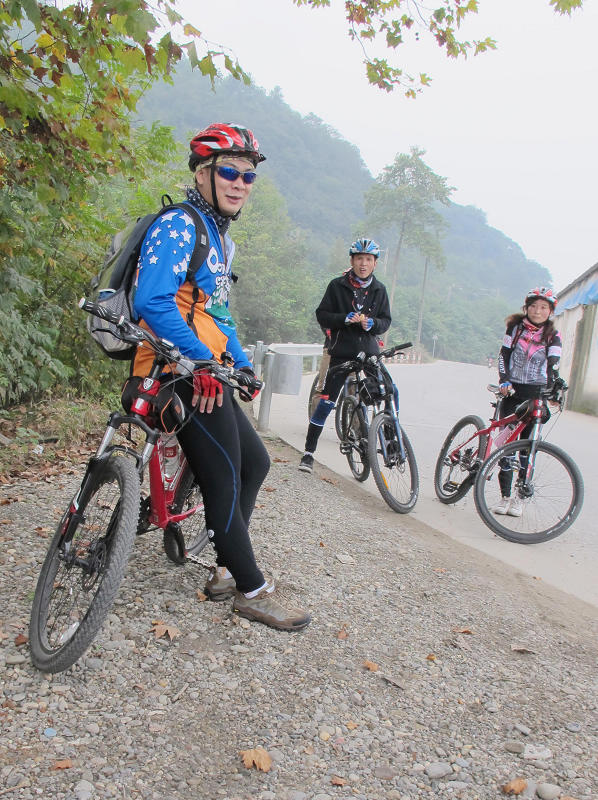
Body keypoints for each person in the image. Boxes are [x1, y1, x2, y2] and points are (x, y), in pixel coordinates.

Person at [132, 123, 310, 631]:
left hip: (207, 373)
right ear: (202, 174)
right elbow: (152, 301)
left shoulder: (218, 239)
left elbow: (217, 314)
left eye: (248, 176)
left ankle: (227, 568)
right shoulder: (178, 224)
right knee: (224, 478)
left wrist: (241, 362)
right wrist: (202, 360)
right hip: (175, 371)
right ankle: (251, 589)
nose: (239, 183)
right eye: (229, 171)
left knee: (255, 463)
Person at [299, 238, 391, 473]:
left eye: (368, 259)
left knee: (387, 392)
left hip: (369, 351)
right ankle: (308, 453)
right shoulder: (336, 286)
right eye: (359, 259)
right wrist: (344, 319)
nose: (363, 264)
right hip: (342, 352)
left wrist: (372, 324)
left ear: (375, 263)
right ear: (352, 261)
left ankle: (390, 444)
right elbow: (322, 315)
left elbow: (385, 320)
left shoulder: (379, 289)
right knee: (326, 401)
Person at [493, 286, 562, 516]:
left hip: (536, 395)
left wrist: (553, 388)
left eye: (543, 307)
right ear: (526, 307)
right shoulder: (515, 328)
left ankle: (520, 498)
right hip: (512, 392)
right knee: (506, 446)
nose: (537, 311)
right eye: (533, 306)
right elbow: (504, 355)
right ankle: (504, 497)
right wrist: (504, 380)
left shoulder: (553, 335)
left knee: (528, 448)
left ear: (550, 311)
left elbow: (553, 364)